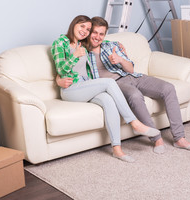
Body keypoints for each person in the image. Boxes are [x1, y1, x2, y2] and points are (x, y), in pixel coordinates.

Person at [58, 16, 190, 154]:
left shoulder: (112, 45)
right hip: (115, 84)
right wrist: (59, 80)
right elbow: (67, 69)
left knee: (168, 88)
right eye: (94, 32)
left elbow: (131, 69)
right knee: (135, 95)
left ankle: (180, 138)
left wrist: (120, 59)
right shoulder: (81, 50)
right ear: (89, 33)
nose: (97, 37)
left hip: (132, 76)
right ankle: (157, 139)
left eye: (101, 34)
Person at [51, 15, 160, 163]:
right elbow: (61, 70)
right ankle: (134, 123)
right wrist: (73, 57)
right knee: (109, 83)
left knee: (108, 100)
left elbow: (101, 41)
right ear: (74, 25)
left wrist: (118, 44)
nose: (85, 31)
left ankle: (117, 149)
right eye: (82, 26)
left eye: (88, 29)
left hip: (86, 86)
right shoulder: (60, 43)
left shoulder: (84, 44)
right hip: (70, 89)